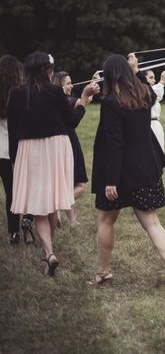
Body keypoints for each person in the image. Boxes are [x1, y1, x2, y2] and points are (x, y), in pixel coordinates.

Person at [91, 54, 165, 290]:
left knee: (105, 219)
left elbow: (114, 143)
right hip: (145, 169)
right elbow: (146, 86)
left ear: (110, 76)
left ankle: (104, 273)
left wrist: (110, 180)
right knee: (152, 223)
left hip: (120, 173)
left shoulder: (112, 102)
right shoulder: (146, 93)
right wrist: (134, 70)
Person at [8, 52, 97, 275]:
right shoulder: (55, 91)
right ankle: (48, 253)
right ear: (47, 70)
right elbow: (72, 121)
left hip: (31, 148)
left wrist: (14, 158)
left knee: (39, 205)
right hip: (57, 147)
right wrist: (84, 101)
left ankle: (48, 254)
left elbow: (13, 129)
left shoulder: (16, 93)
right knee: (53, 200)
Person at [0, 54, 33, 245]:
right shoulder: (19, 95)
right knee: (12, 193)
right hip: (10, 151)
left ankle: (14, 231)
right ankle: (14, 232)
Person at [51, 71, 88, 227]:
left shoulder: (52, 100)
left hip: (57, 143)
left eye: (71, 82)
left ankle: (72, 221)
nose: (71, 85)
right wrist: (85, 97)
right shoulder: (65, 101)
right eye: (67, 83)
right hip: (69, 142)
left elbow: (80, 100)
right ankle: (58, 207)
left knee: (67, 184)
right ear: (59, 85)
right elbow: (79, 102)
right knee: (80, 185)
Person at [145, 69, 165, 151]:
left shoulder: (151, 90)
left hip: (156, 125)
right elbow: (155, 94)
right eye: (151, 77)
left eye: (154, 78)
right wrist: (162, 82)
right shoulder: (143, 91)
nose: (154, 80)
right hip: (149, 126)